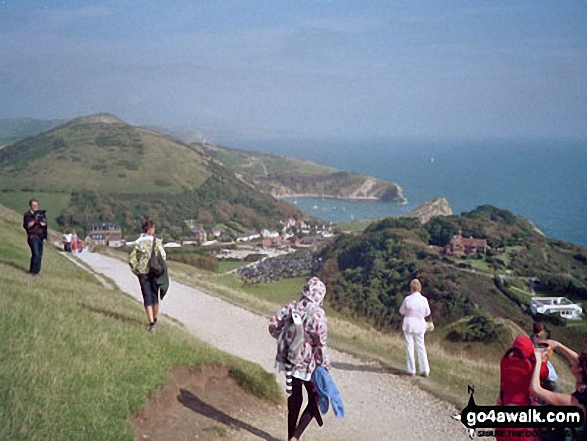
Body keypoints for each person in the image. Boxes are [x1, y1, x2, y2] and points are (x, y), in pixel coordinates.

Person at [269, 277, 331, 441]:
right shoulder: (318, 314)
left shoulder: (291, 307)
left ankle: (290, 435)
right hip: (306, 363)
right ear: (320, 296)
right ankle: (296, 437)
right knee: (317, 396)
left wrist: (284, 338)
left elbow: (273, 326)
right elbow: (320, 344)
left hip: (289, 358)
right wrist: (324, 366)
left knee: (295, 397)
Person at [530, 340, 587, 440]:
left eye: (577, 361)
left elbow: (535, 389)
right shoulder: (584, 381)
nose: (574, 359)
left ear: (580, 369)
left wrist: (538, 360)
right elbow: (578, 359)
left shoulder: (579, 399)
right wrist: (558, 345)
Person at [129, 220, 166, 332]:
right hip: (155, 272)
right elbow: (163, 256)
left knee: (147, 297)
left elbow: (132, 260)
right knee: (155, 296)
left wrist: (136, 271)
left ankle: (150, 322)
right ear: (151, 229)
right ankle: (155, 319)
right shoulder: (156, 241)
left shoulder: (138, 242)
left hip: (143, 273)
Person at [399, 278, 431, 377]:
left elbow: (402, 311)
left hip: (409, 324)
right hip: (420, 324)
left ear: (411, 288)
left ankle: (411, 369)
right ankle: (425, 369)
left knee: (410, 346)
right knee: (421, 346)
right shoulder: (424, 300)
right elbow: (427, 312)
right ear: (420, 288)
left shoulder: (408, 299)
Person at [23, 198, 47, 275]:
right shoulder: (27, 215)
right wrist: (35, 220)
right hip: (32, 237)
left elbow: (44, 225)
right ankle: (32, 271)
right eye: (33, 205)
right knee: (36, 253)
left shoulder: (40, 214)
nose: (35, 207)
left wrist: (43, 224)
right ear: (30, 206)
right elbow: (27, 225)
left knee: (39, 255)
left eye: (36, 205)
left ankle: (36, 271)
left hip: (40, 237)